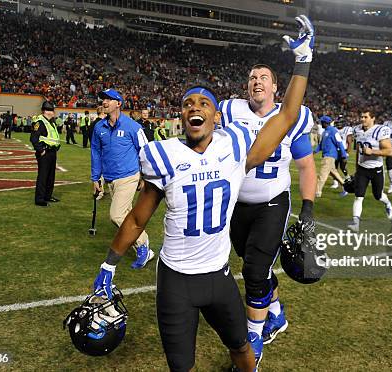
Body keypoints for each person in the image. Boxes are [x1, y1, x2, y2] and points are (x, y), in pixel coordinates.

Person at [91, 16, 313, 372]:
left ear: (216, 116)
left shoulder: (236, 147)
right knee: (182, 366)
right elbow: (136, 217)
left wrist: (303, 59)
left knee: (243, 350)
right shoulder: (163, 154)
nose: (196, 106)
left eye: (204, 103)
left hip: (218, 276)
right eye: (188, 103)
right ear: (182, 115)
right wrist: (108, 263)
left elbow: (286, 115)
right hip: (175, 279)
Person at [218, 62, 317, 364]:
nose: (256, 81)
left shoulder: (293, 117)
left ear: (275, 87)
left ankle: (253, 338)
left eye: (263, 78)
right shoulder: (229, 111)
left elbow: (306, 165)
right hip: (237, 204)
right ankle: (275, 313)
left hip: (273, 201)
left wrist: (308, 209)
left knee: (255, 271)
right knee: (250, 263)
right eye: (251, 78)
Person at [91, 88, 154, 270]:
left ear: (118, 103)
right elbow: (95, 153)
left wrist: (144, 176)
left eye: (109, 99)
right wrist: (96, 177)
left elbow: (145, 152)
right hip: (110, 178)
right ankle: (140, 244)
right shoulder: (99, 127)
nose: (104, 102)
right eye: (103, 99)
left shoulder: (133, 127)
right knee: (126, 215)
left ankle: (143, 245)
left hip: (128, 176)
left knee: (116, 215)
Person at [348, 110, 392, 232]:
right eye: (361, 116)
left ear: (373, 118)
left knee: (378, 196)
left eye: (365, 117)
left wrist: (372, 151)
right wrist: (356, 168)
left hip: (376, 169)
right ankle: (355, 224)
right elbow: (358, 149)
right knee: (358, 197)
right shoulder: (357, 130)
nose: (362, 119)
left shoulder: (380, 130)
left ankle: (387, 204)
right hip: (362, 169)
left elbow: (389, 151)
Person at [30, 101, 61, 206]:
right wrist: (41, 150)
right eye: (52, 110)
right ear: (46, 111)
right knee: (43, 176)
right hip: (45, 152)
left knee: (50, 176)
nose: (54, 112)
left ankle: (47, 196)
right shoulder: (40, 122)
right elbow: (34, 138)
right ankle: (39, 199)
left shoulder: (51, 121)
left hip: (52, 152)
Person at [314, 115, 347, 197]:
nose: (320, 123)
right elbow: (321, 145)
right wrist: (314, 152)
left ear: (325, 123)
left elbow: (339, 143)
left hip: (329, 156)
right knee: (334, 174)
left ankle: (317, 192)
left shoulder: (333, 131)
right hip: (327, 155)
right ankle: (346, 187)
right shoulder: (325, 132)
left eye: (322, 122)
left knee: (322, 174)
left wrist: (344, 156)